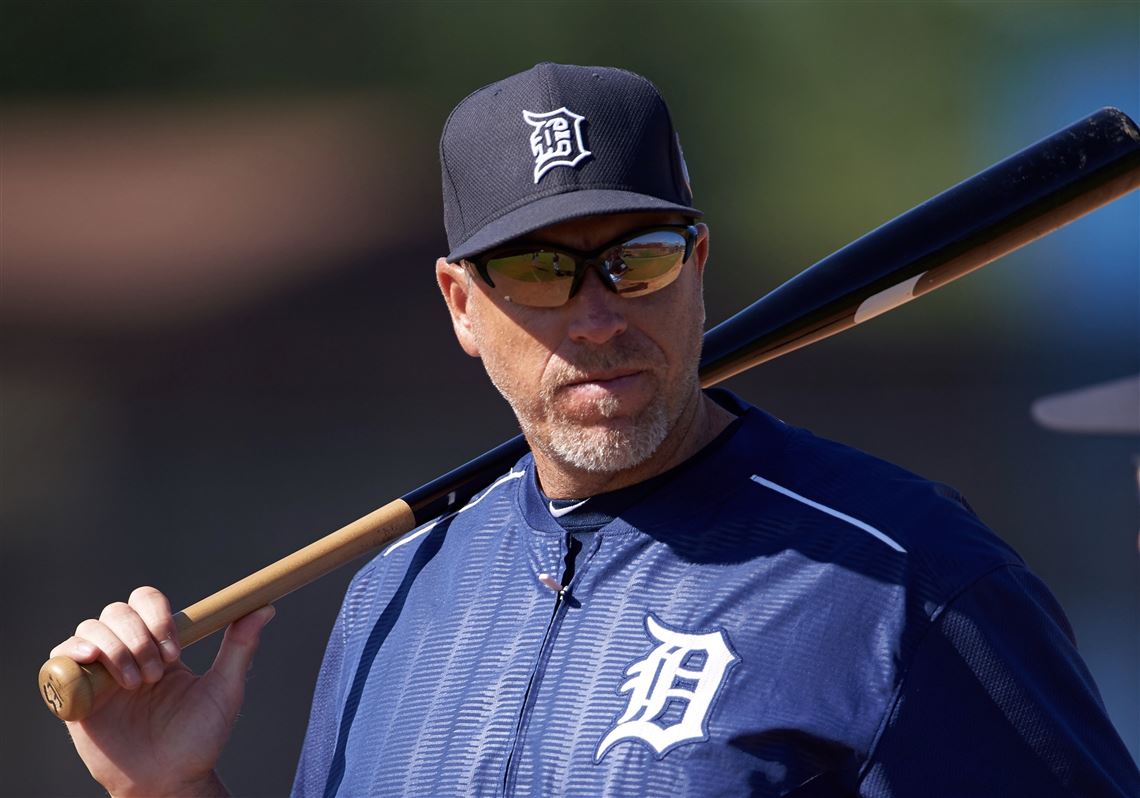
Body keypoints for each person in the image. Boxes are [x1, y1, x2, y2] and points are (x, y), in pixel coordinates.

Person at [50, 63, 1138, 798]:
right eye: (537, 269)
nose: (599, 315)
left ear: (699, 267)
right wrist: (168, 787)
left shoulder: (908, 580)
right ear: (460, 306)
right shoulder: (395, 597)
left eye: (640, 258)